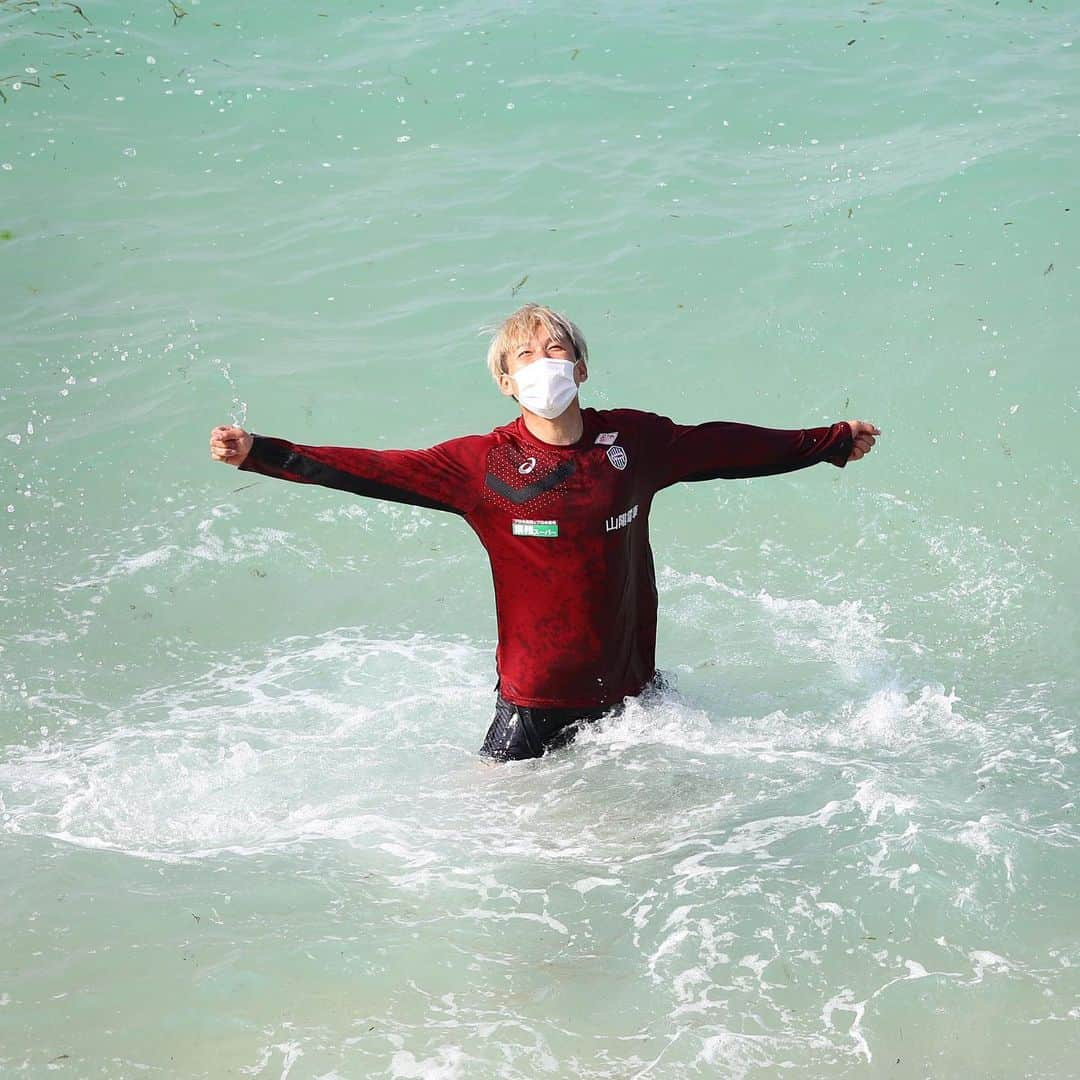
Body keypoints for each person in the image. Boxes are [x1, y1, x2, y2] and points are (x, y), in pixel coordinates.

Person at [209, 303, 879, 762]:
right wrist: (260, 453)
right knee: (502, 850)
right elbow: (371, 469)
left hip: (635, 697)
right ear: (506, 381)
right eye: (524, 355)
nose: (542, 361)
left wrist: (828, 443)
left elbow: (724, 446)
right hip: (534, 708)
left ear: (581, 368)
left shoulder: (634, 442)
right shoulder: (482, 467)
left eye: (555, 349)